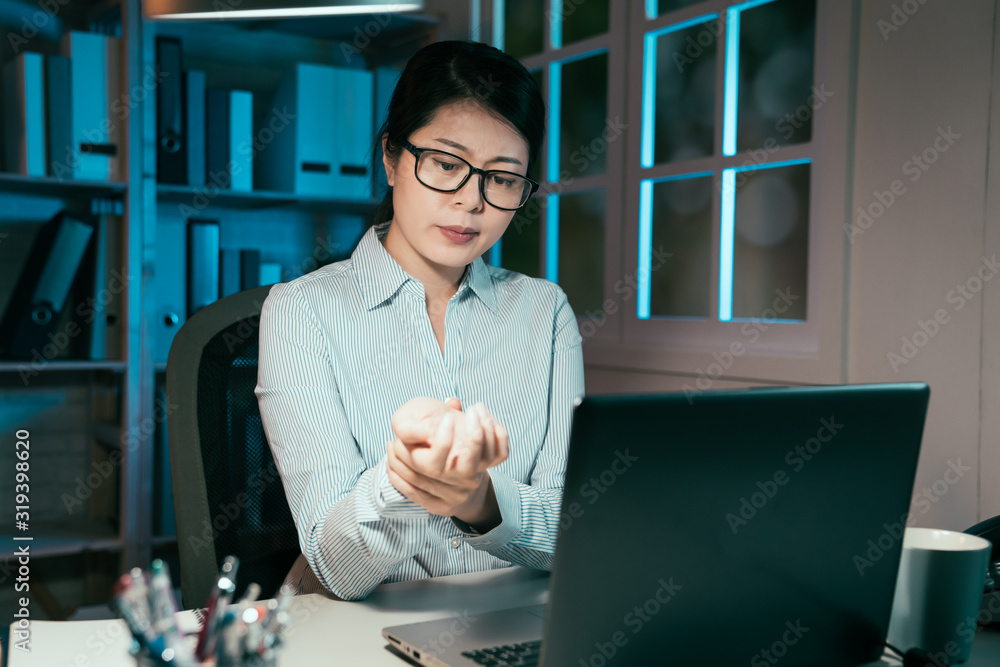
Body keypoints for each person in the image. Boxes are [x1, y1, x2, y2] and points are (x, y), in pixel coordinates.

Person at [255, 40, 584, 601]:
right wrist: (408, 479)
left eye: (502, 178)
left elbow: (574, 530)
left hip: (513, 627)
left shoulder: (544, 311)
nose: (471, 202)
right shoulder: (301, 312)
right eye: (447, 165)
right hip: (363, 636)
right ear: (391, 158)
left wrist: (479, 501)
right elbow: (335, 569)